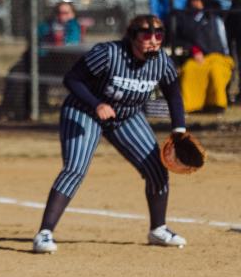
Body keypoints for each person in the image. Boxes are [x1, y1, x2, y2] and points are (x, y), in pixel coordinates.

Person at [31, 14, 188, 255]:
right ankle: (44, 233)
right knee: (75, 168)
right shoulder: (108, 53)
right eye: (146, 35)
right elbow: (72, 79)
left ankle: (158, 229)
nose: (153, 40)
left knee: (156, 169)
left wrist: (179, 130)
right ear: (132, 35)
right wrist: (96, 104)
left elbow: (174, 96)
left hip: (126, 116)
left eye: (159, 34)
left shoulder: (161, 62)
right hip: (84, 110)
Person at [173, 0, 233, 113]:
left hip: (219, 57)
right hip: (197, 57)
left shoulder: (215, 14)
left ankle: (216, 105)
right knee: (189, 70)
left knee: (215, 71)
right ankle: (192, 106)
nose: (197, 1)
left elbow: (227, 1)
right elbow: (179, 40)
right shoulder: (184, 18)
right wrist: (193, 49)